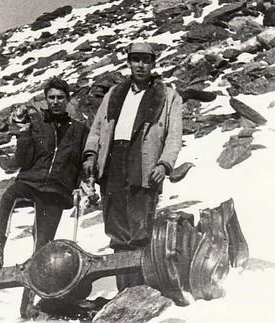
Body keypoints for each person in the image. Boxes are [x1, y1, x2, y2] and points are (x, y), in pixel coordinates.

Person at [82, 42, 183, 291]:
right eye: (135, 60)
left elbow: (174, 136)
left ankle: (141, 289)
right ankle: (123, 291)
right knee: (116, 229)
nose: (140, 65)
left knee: (140, 228)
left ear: (153, 64)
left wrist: (165, 164)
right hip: (114, 161)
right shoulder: (115, 94)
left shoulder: (168, 96)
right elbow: (97, 128)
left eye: (146, 60)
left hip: (144, 163)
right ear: (128, 62)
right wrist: (91, 155)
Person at [0, 76, 89, 271]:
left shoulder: (80, 130)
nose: (55, 102)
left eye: (60, 97)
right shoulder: (37, 125)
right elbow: (22, 161)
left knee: (41, 249)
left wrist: (83, 182)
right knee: (9, 196)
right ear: (46, 99)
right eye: (51, 97)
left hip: (57, 190)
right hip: (31, 181)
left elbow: (85, 160)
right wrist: (24, 134)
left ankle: (31, 297)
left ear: (68, 99)